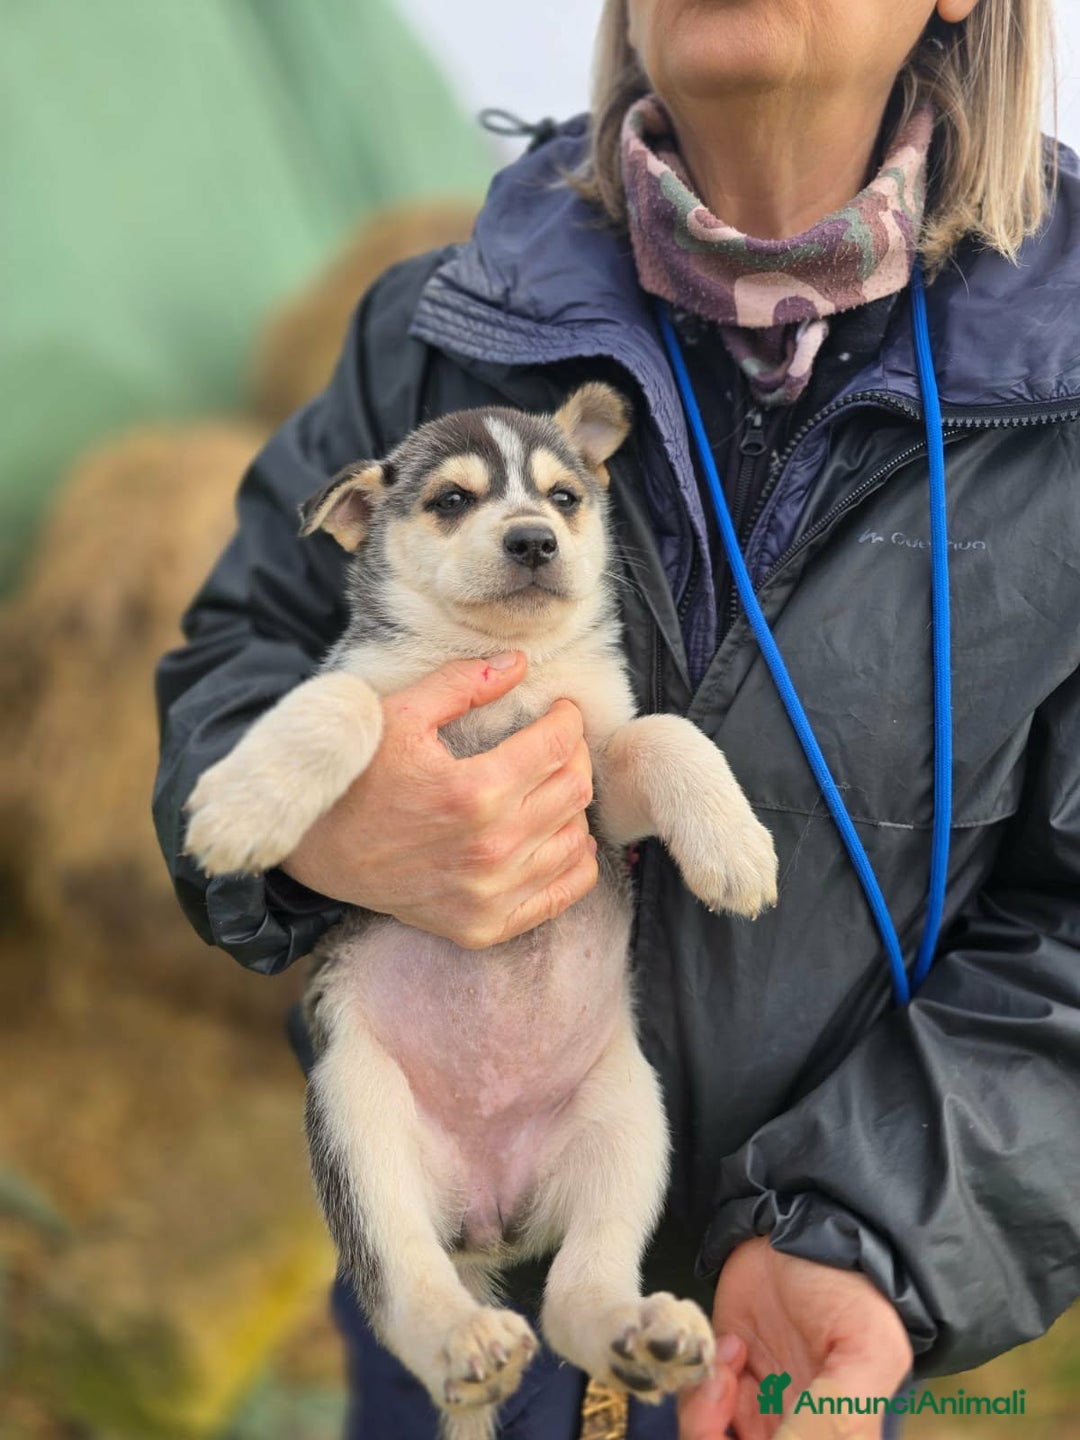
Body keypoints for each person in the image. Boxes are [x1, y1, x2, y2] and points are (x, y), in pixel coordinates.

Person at [152, 1, 1080, 1436]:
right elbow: (235, 660)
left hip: (810, 1308)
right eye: (463, 505)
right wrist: (327, 834)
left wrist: (869, 1237)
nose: (520, 530)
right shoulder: (427, 331)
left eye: (549, 507)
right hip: (449, 1303)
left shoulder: (1060, 391)